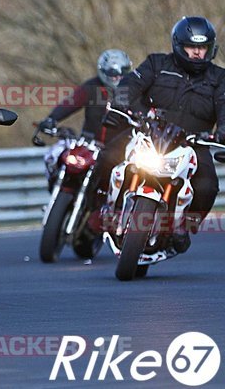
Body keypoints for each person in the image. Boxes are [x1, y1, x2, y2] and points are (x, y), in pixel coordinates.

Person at [94, 16, 225, 253]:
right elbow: (128, 86)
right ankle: (100, 208)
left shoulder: (220, 79)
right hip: (149, 133)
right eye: (191, 47)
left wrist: (222, 135)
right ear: (178, 45)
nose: (197, 53)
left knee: (208, 187)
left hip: (193, 143)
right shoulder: (157, 64)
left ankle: (183, 227)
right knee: (107, 156)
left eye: (202, 48)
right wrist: (118, 106)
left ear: (210, 48)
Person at [36, 49, 132, 188]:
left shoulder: (134, 89)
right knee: (62, 160)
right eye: (112, 73)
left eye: (122, 71)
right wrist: (52, 118)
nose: (117, 77)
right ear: (103, 71)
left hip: (119, 152)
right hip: (89, 146)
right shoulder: (91, 87)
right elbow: (71, 102)